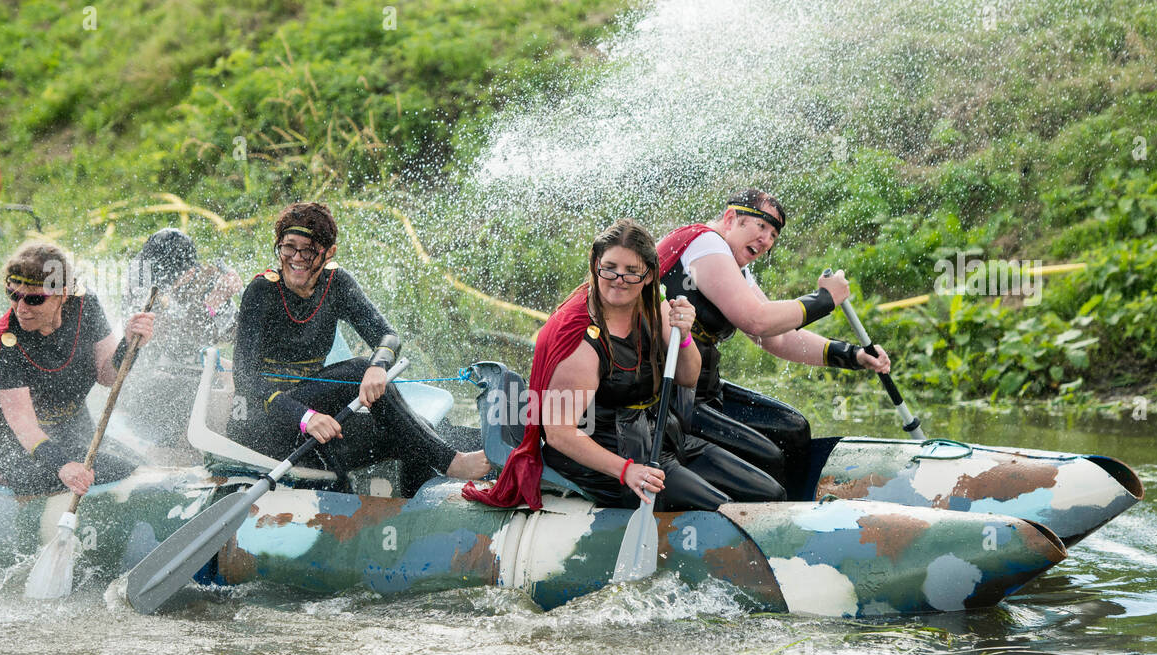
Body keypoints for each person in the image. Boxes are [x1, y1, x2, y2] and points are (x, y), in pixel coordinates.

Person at [464, 218, 784, 512]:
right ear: (595, 265)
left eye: (632, 270)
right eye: (610, 268)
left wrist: (683, 337)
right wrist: (626, 470)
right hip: (609, 457)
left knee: (769, 494)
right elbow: (560, 433)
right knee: (724, 511)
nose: (619, 279)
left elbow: (688, 377)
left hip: (663, 438)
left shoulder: (653, 308)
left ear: (648, 276)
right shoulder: (581, 341)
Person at [231, 201, 489, 491]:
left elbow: (387, 336)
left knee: (411, 435)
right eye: (289, 247)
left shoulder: (337, 283)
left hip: (312, 428)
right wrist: (306, 417)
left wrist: (379, 367)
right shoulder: (262, 291)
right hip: (262, 427)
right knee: (357, 369)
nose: (297, 258)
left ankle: (423, 517)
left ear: (328, 253)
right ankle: (452, 462)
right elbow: (245, 379)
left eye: (308, 249)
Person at [658, 189, 891, 493]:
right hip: (667, 397)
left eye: (773, 235)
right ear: (731, 218)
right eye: (761, 227)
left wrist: (850, 355)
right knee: (768, 455)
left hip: (704, 390)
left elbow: (776, 338)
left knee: (793, 430)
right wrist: (823, 299)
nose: (767, 240)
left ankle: (795, 513)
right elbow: (755, 319)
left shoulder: (735, 264)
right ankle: (767, 515)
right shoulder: (705, 243)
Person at [0, 241, 155, 496]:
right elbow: (24, 424)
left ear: (63, 295)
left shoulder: (86, 304)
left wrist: (130, 344)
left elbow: (107, 376)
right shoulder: (5, 341)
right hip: (15, 449)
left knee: (141, 465)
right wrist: (63, 467)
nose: (21, 308)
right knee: (120, 468)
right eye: (13, 295)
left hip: (73, 432)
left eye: (34, 299)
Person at [117, 228, 242, 450]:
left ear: (190, 272)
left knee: (231, 387)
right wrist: (209, 305)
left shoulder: (205, 279)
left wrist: (226, 298)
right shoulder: (141, 277)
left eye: (172, 277)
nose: (164, 282)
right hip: (147, 379)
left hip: (192, 377)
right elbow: (163, 332)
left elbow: (232, 334)